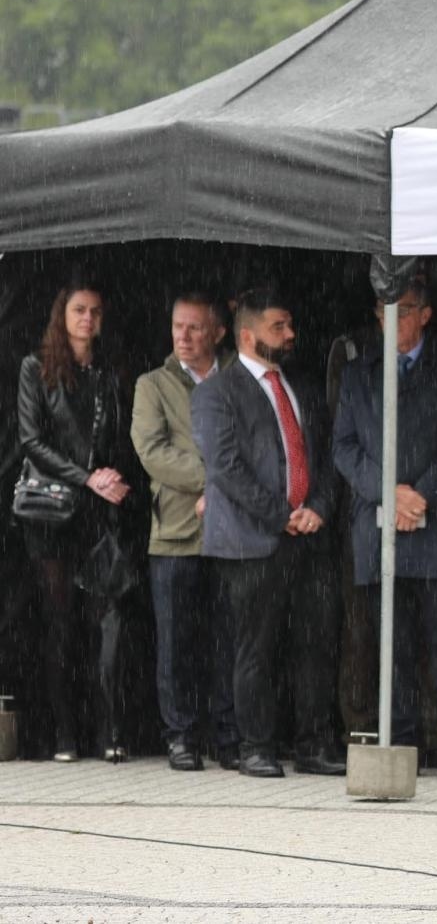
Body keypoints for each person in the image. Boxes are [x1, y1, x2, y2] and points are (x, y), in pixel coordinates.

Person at [332, 281, 437, 783]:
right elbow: (344, 447)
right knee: (390, 645)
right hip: (381, 525)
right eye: (383, 314)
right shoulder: (360, 374)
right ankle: (401, 743)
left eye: (401, 313)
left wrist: (422, 492)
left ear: (425, 315)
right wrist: (390, 493)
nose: (391, 323)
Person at [191, 288, 344, 779]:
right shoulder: (217, 391)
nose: (290, 334)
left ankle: (313, 743)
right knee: (255, 647)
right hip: (251, 541)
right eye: (279, 326)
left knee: (315, 643)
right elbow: (226, 468)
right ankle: (255, 744)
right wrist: (280, 513)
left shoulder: (300, 385)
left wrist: (317, 506)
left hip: (308, 537)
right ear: (248, 334)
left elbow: (322, 455)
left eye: (290, 325)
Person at [15, 282, 137, 762]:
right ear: (61, 316)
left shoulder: (109, 370)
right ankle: (65, 734)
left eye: (95, 311)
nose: (88, 319)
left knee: (106, 621)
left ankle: (110, 730)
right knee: (60, 623)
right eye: (79, 310)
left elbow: (122, 435)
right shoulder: (36, 368)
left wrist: (110, 479)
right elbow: (31, 441)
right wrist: (88, 478)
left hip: (100, 510)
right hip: (52, 514)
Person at [130, 292, 239, 772]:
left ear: (218, 331)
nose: (183, 336)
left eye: (195, 327)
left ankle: (228, 732)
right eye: (177, 326)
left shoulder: (237, 378)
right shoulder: (152, 383)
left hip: (232, 529)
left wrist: (222, 488)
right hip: (174, 531)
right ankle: (180, 736)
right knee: (175, 641)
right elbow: (152, 451)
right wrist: (214, 480)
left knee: (227, 639)